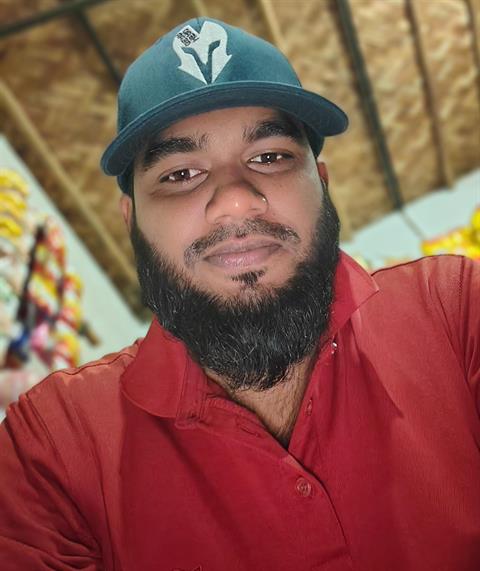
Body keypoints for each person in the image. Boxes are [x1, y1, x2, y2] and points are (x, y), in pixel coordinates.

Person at [0, 17, 479, 571]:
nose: (234, 200)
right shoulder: (52, 449)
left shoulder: (453, 310)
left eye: (269, 157)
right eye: (180, 174)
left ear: (321, 183)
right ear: (132, 221)